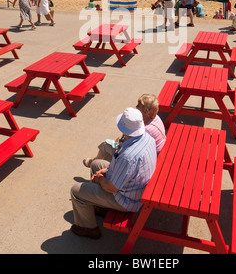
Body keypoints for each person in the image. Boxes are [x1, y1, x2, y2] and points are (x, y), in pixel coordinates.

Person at [70, 107, 157, 239]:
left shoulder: (128, 156)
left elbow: (112, 187)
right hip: (136, 189)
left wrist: (99, 179)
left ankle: (88, 228)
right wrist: (106, 170)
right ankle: (102, 206)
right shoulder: (147, 138)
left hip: (128, 200)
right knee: (96, 164)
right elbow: (126, 168)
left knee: (76, 191)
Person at [83, 94, 165, 168]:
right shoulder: (155, 118)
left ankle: (93, 162)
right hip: (153, 155)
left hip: (142, 162)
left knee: (105, 145)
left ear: (145, 112)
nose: (136, 107)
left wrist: (120, 141)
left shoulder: (146, 130)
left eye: (138, 107)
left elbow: (128, 148)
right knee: (115, 142)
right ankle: (97, 160)